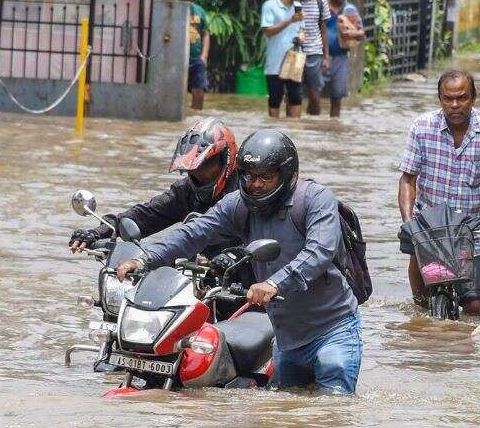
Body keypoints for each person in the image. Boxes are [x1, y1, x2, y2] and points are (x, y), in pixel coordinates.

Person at [115, 129, 362, 394]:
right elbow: (195, 232)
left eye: (265, 177)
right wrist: (146, 258)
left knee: (333, 412)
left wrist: (275, 284)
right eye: (249, 176)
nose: (255, 184)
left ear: (287, 174)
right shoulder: (239, 204)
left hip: (331, 330)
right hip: (287, 338)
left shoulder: (315, 199)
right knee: (285, 421)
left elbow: (319, 251)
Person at [397, 70, 480, 317]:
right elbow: (408, 179)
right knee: (421, 309)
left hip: (471, 232)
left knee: (473, 306)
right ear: (440, 99)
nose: (455, 105)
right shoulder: (422, 127)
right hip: (430, 229)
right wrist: (408, 223)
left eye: (462, 98)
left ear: (473, 98)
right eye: (448, 99)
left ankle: (468, 356)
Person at [68, 118, 239, 259]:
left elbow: (261, 239)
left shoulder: (247, 195)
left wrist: (233, 257)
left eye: (205, 168)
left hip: (244, 282)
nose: (199, 175)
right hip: (200, 277)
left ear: (225, 159)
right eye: (193, 171)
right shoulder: (186, 192)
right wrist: (97, 232)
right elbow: (146, 214)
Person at [261, 0, 306, 118]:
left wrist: (302, 35)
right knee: (275, 100)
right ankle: (274, 132)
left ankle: (294, 132)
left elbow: (302, 28)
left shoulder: (298, 6)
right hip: (275, 63)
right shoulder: (269, 5)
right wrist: (290, 20)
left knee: (296, 98)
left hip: (294, 62)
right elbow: (268, 31)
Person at [322, 0, 364, 117]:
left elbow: (361, 32)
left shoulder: (349, 9)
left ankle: (334, 125)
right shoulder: (322, 7)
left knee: (337, 96)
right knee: (314, 94)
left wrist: (352, 34)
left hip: (341, 57)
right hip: (320, 57)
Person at [301, 0, 331, 115]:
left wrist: (326, 57)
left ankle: (314, 124)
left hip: (314, 52)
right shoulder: (292, 1)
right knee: (293, 94)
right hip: (293, 52)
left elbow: (324, 31)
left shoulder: (320, 2)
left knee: (314, 93)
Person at [180, 0, 209, 110]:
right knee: (175, 92)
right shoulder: (173, 8)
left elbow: (206, 34)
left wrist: (204, 56)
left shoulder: (200, 11)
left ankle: (195, 119)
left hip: (196, 58)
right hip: (178, 58)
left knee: (199, 92)